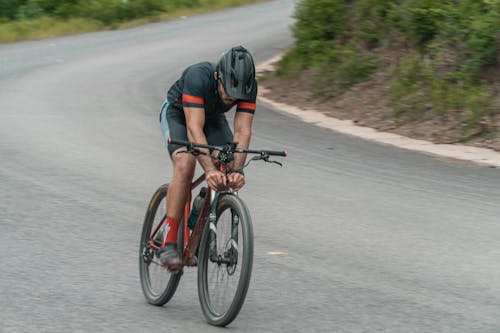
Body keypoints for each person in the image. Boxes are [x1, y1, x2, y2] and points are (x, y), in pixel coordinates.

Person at [157, 45, 258, 269]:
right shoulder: (198, 76)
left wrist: (237, 170)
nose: (231, 100)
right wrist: (209, 169)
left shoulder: (249, 87)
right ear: (217, 77)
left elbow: (243, 131)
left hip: (211, 118)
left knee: (228, 162)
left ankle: (199, 209)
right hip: (179, 114)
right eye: (227, 94)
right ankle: (169, 241)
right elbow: (194, 129)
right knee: (185, 164)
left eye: (236, 98)